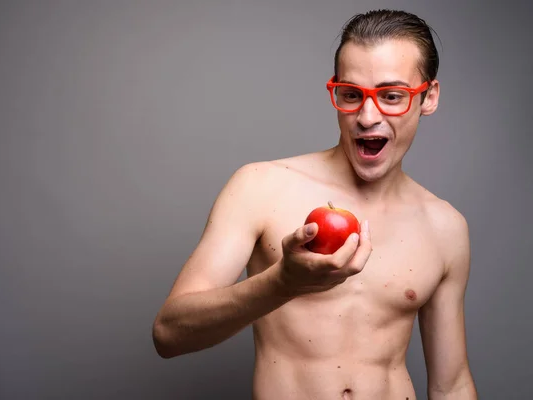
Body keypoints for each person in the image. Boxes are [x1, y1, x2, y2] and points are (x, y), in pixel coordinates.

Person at [152, 9, 477, 400]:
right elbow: (169, 334)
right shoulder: (260, 187)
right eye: (351, 95)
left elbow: (452, 385)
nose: (367, 116)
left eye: (392, 96)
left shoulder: (445, 227)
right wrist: (281, 283)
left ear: (428, 97)